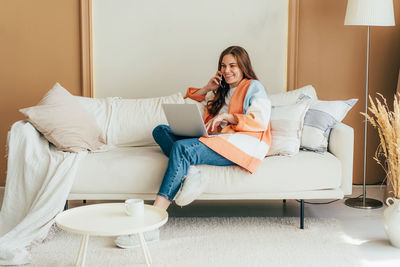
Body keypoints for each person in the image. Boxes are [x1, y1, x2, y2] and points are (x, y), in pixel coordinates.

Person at [115, 45, 272, 248]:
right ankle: (190, 171)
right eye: (223, 66)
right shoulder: (221, 90)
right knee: (160, 130)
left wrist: (229, 116)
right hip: (214, 139)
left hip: (240, 144)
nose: (227, 70)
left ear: (243, 67)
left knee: (182, 148)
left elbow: (260, 119)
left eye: (233, 65)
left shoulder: (254, 86)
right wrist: (208, 88)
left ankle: (151, 226)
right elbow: (188, 100)